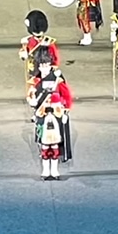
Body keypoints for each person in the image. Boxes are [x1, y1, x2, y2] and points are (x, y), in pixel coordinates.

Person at [26, 44, 73, 180]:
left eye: (46, 65)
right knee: (45, 144)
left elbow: (66, 95)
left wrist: (66, 111)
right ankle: (46, 171)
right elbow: (30, 95)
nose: (44, 68)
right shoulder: (35, 81)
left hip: (57, 113)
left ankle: (55, 170)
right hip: (42, 113)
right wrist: (32, 101)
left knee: (55, 143)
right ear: (38, 66)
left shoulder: (57, 78)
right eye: (42, 65)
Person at [20, 9, 60, 80]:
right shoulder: (49, 42)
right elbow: (55, 56)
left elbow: (23, 56)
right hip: (42, 70)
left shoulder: (28, 41)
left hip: (38, 70)